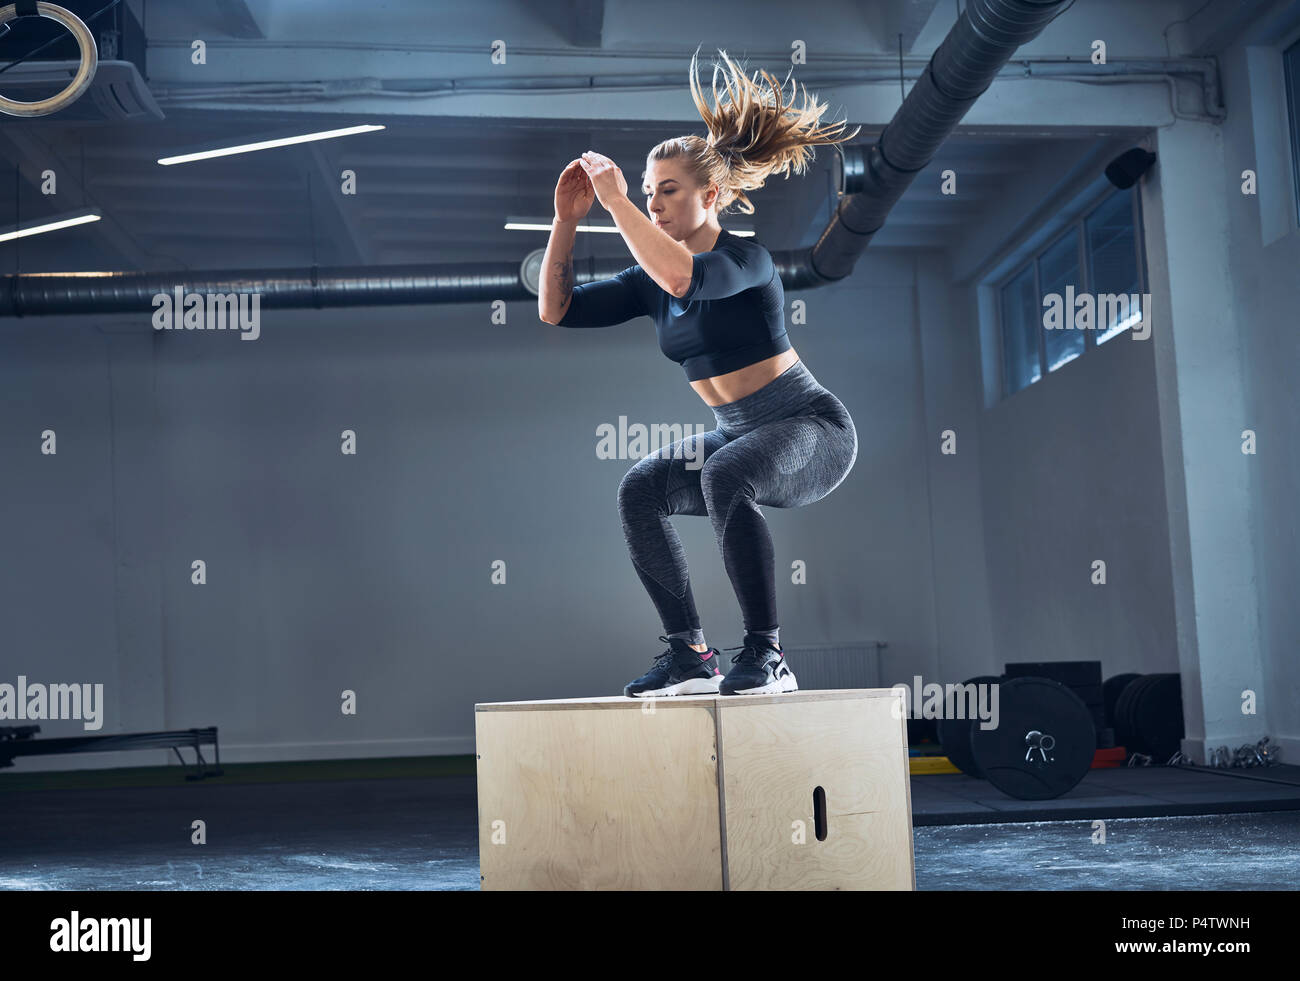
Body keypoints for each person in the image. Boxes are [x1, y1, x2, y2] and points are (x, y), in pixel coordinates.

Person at [538, 49, 860, 697]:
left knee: (723, 473)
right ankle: (689, 653)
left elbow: (685, 275)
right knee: (642, 487)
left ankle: (767, 653)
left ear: (710, 196)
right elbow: (557, 310)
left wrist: (616, 202)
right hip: (737, 432)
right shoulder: (646, 282)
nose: (653, 203)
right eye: (648, 190)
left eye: (668, 190)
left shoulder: (747, 260)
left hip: (809, 428)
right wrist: (567, 221)